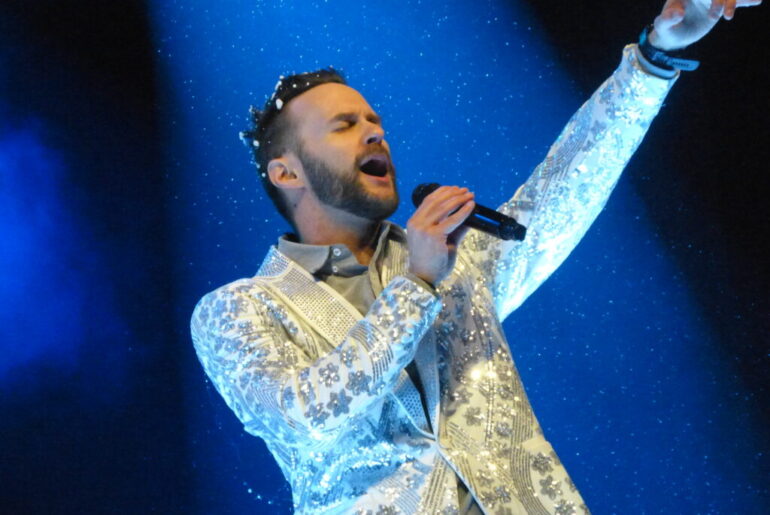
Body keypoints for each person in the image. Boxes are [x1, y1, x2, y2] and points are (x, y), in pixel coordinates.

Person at [190, 1, 760, 513]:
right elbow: (302, 418)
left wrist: (654, 60)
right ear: (286, 171)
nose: (374, 134)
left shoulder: (457, 259)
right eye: (345, 126)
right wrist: (415, 284)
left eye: (375, 122)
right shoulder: (238, 310)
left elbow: (565, 191)